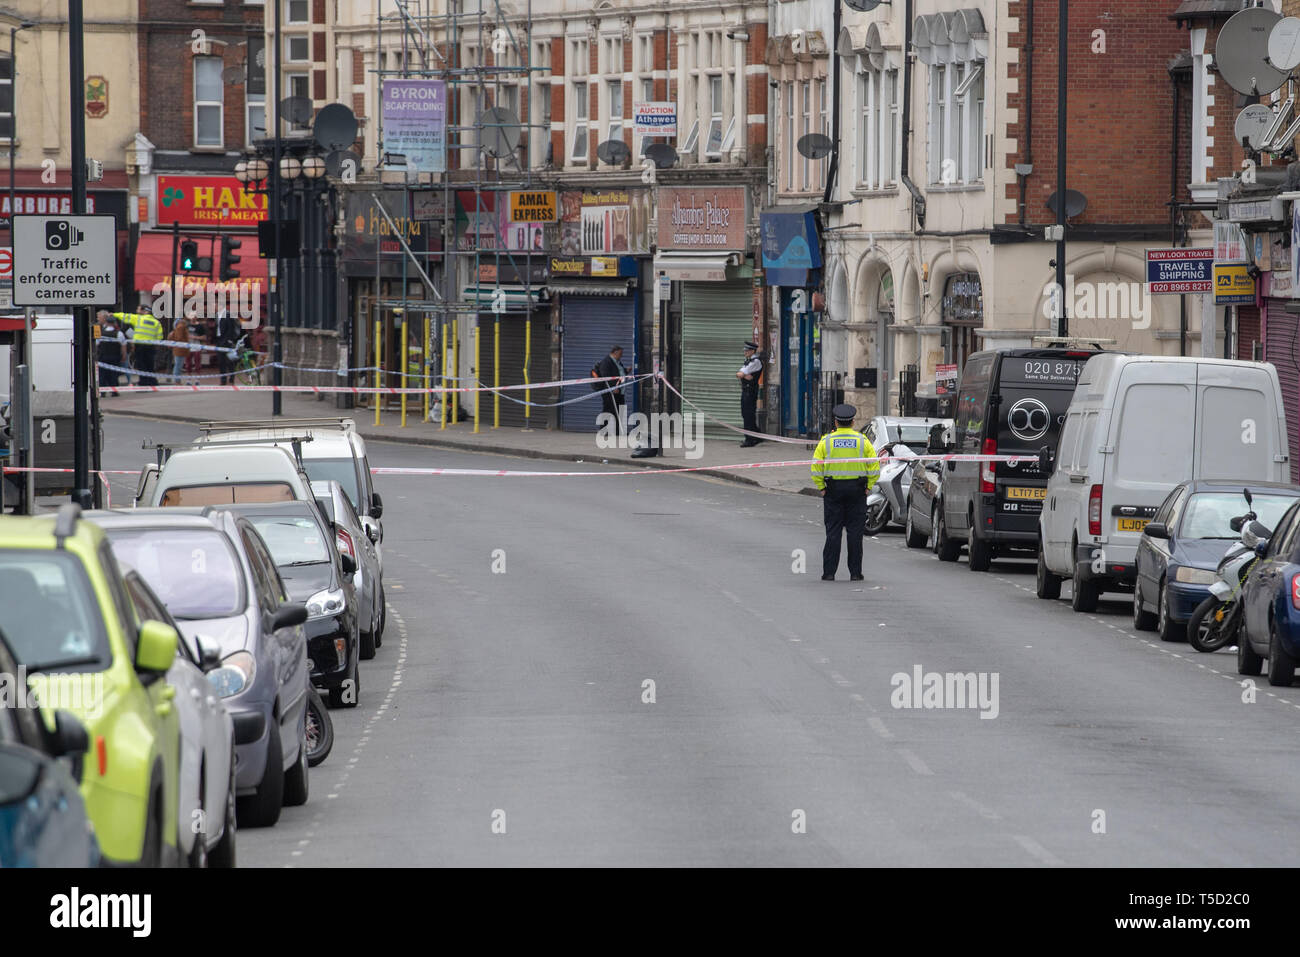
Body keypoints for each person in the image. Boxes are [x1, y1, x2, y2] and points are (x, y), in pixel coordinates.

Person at [811, 403, 881, 581]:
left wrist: (822, 488)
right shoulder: (862, 441)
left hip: (833, 491)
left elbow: (816, 467)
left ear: (836, 422)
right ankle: (855, 573)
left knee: (833, 533)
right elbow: (874, 466)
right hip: (857, 491)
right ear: (852, 422)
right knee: (855, 533)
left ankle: (829, 573)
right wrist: (868, 487)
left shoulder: (826, 441)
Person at [114, 307, 164, 387]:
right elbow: (159, 337)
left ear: (145, 311)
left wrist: (113, 314)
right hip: (151, 346)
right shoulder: (156, 322)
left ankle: (143, 383)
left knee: (141, 365)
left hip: (140, 346)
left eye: (138, 309)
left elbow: (125, 316)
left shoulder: (138, 319)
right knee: (150, 365)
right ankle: (152, 382)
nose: (137, 311)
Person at [592, 345, 627, 434]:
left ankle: (618, 431)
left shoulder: (617, 362)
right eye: (620, 354)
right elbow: (606, 376)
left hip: (619, 391)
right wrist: (612, 387)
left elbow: (619, 373)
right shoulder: (606, 362)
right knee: (608, 410)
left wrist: (626, 371)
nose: (621, 356)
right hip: (610, 391)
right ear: (615, 353)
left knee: (619, 411)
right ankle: (603, 430)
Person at [736, 341, 764, 447]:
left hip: (750, 391)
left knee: (748, 415)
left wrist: (743, 375)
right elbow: (739, 374)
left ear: (752, 351)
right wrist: (742, 375)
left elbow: (740, 374)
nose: (745, 352)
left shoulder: (755, 362)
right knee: (746, 414)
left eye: (747, 350)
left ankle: (750, 439)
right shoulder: (749, 361)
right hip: (746, 390)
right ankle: (756, 436)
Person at [95, 310, 126, 396]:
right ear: (114, 323)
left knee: (102, 375)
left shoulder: (101, 333)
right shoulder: (119, 333)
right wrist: (124, 356)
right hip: (115, 357)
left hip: (103, 357)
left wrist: (96, 355)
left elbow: (97, 345)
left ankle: (103, 392)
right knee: (114, 374)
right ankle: (114, 391)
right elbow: (123, 346)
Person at [214, 309, 240, 385]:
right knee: (221, 361)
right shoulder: (217, 315)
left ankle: (231, 379)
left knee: (230, 361)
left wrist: (228, 340)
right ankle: (223, 380)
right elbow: (217, 327)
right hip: (219, 340)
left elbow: (230, 329)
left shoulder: (228, 315)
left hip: (226, 341)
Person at [170, 317, 190, 383]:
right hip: (180, 349)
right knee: (178, 365)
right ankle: (177, 380)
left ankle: (177, 380)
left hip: (179, 348)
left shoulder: (180, 325)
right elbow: (179, 337)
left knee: (178, 364)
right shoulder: (181, 326)